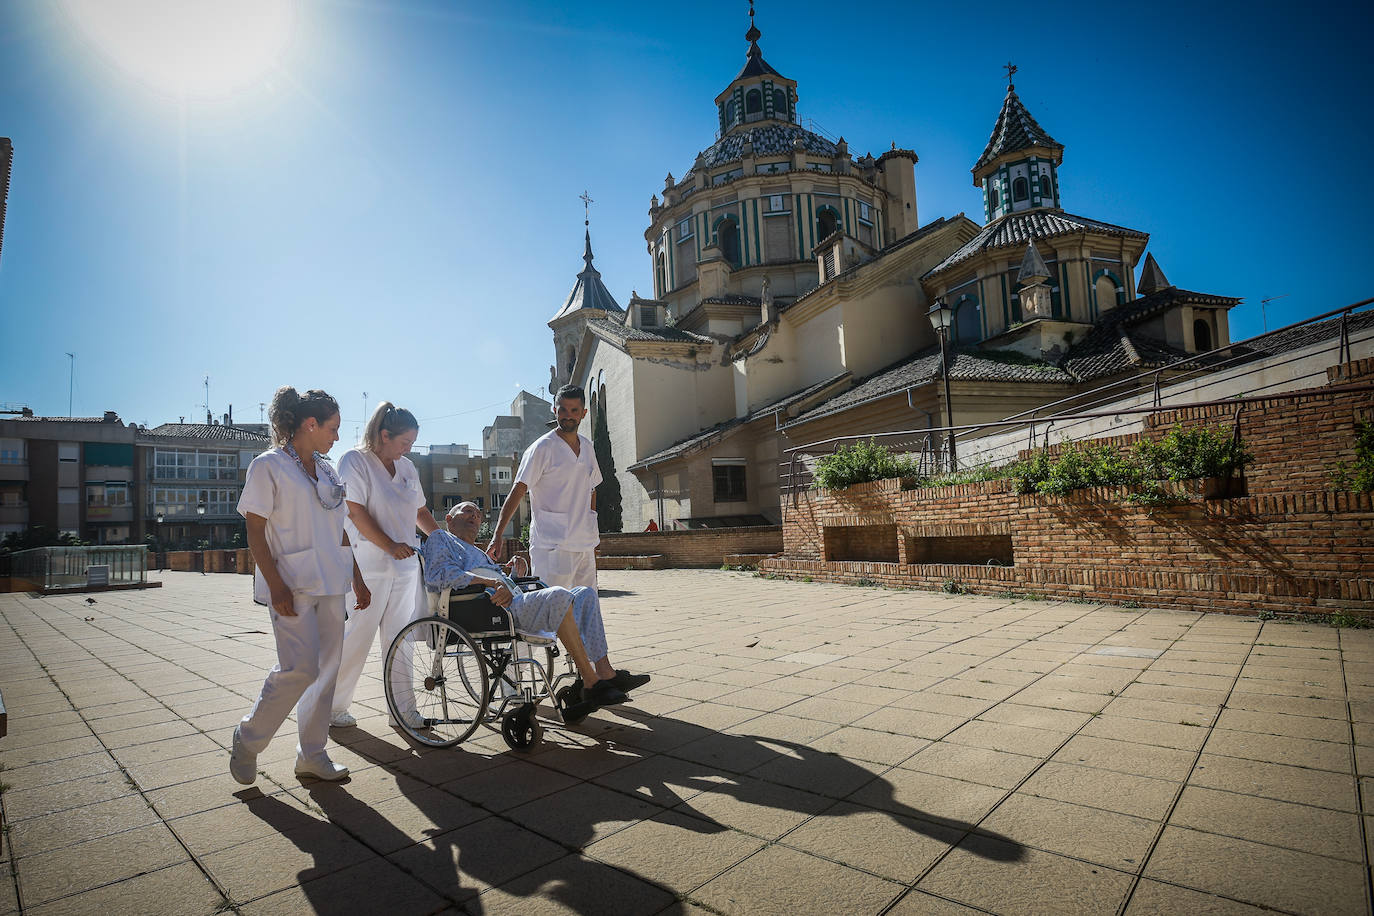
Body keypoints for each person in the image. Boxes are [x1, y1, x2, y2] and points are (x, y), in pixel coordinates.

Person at [230, 387, 370, 785]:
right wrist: (274, 586)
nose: (336, 437)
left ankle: (312, 754)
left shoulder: (327, 470)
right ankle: (249, 738)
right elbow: (254, 528)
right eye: (333, 428)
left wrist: (357, 577)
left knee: (326, 671)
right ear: (310, 424)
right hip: (291, 584)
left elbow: (341, 530)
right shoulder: (268, 466)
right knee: (299, 669)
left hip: (331, 583)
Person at [431, 501, 649, 715]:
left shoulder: (477, 552)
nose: (475, 517)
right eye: (468, 511)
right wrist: (492, 582)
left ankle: (604, 671)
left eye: (478, 514)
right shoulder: (441, 539)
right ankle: (591, 683)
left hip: (509, 602)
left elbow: (499, 583)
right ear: (449, 520)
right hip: (487, 611)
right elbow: (440, 575)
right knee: (558, 595)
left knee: (585, 594)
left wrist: (515, 575)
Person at [330, 402, 441, 730]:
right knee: (357, 638)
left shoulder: (407, 468)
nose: (409, 449)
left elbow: (419, 511)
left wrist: (442, 540)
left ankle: (403, 712)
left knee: (401, 641)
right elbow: (354, 511)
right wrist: (390, 545)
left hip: (405, 571)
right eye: (405, 442)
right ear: (384, 435)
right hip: (369, 568)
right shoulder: (355, 461)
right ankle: (333, 708)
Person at [487, 384, 600, 590]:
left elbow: (592, 489)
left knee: (587, 607)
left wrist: (591, 529)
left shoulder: (588, 447)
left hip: (584, 543)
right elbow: (518, 490)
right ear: (555, 410)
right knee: (554, 610)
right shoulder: (542, 448)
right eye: (563, 409)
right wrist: (498, 534)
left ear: (583, 413)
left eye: (574, 410)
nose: (568, 415)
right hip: (552, 545)